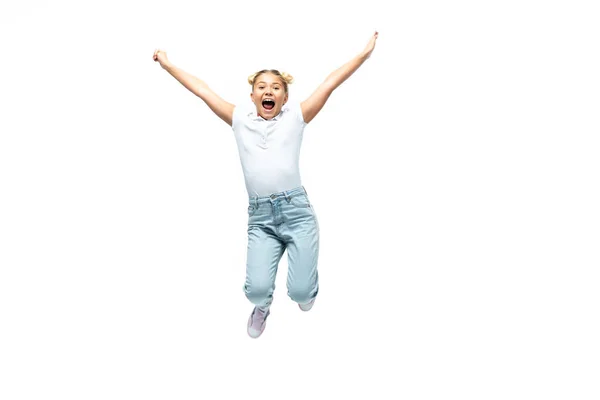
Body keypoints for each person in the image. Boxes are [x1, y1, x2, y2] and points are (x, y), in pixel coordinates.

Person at [153, 32, 378, 338]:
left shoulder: (296, 117)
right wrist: (168, 65)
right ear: (252, 96)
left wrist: (363, 55)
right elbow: (202, 90)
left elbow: (330, 82)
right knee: (256, 291)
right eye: (261, 87)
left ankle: (305, 288)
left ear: (284, 97)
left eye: (275, 88)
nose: (268, 91)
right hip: (261, 219)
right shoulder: (239, 119)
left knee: (301, 295)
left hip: (297, 213)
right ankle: (262, 307)